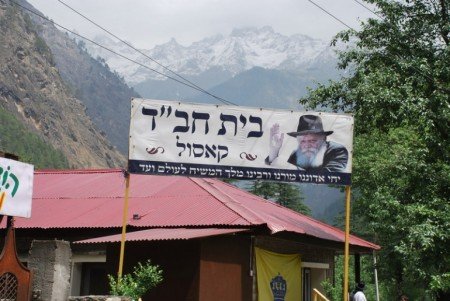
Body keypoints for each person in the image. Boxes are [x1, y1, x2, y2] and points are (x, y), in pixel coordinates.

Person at [265, 115, 349, 172]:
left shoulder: (337, 151)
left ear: (324, 139)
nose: (307, 145)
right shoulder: (296, 154)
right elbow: (275, 169)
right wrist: (274, 151)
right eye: (303, 141)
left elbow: (331, 176)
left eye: (313, 141)